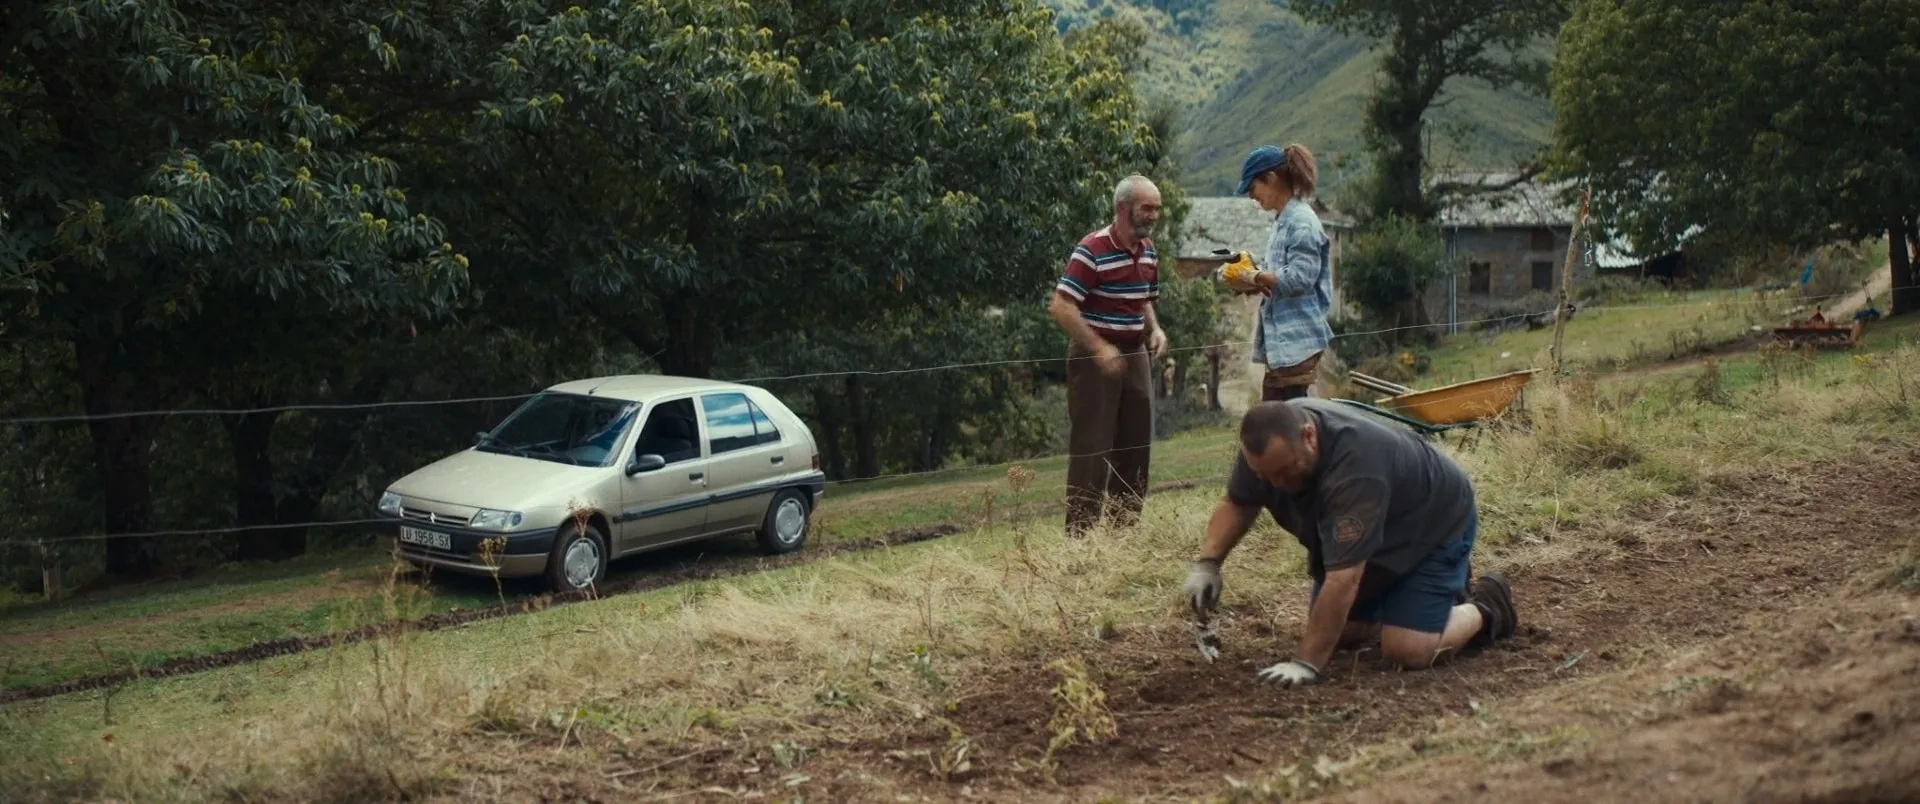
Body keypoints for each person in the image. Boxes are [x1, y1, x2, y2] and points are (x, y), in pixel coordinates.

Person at [1181, 399, 1518, 686]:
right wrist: (1208, 564)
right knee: (1337, 632)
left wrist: (1306, 663)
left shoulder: (1356, 469)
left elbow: (1344, 577)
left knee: (1407, 649)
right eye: (1266, 477)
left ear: (1310, 436)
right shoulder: (1268, 445)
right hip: (1378, 531)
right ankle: (1416, 607)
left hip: (1431, 526)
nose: (1277, 485)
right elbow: (1239, 503)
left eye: (1285, 472)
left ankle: (1486, 607)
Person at [1049, 174, 1169, 537]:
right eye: (1147, 208)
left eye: (1157, 209)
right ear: (1123, 208)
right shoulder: (1092, 249)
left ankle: (1124, 532)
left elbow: (1144, 298)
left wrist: (1156, 330)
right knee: (1092, 447)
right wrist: (1099, 348)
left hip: (1134, 353)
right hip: (1094, 355)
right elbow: (1061, 306)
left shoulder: (1147, 250)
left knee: (1136, 444)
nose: (1153, 216)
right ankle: (1081, 539)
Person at [1229, 144, 1334, 401]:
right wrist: (1254, 274)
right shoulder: (1283, 220)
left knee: (1288, 424)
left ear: (1271, 179)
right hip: (1283, 345)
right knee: (1277, 421)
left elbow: (1299, 279)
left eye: (1253, 189)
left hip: (1297, 344)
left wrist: (1253, 277)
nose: (1252, 197)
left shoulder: (1302, 222)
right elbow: (1278, 273)